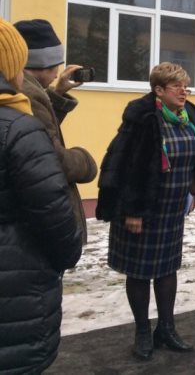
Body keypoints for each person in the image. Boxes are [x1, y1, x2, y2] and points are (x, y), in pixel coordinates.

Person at [96, 62, 195, 361]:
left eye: (186, 86)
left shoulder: (191, 116)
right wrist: (133, 211)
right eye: (177, 87)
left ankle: (166, 329)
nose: (183, 92)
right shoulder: (144, 117)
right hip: (142, 208)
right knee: (139, 272)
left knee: (167, 269)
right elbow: (129, 164)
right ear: (158, 90)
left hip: (172, 211)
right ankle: (142, 332)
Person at [0, 19, 83, 373]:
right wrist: (85, 162)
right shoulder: (17, 119)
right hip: (18, 278)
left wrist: (58, 95)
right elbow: (50, 206)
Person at [14, 18, 98, 244]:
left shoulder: (24, 88)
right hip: (40, 217)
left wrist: (57, 94)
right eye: (56, 66)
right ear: (43, 64)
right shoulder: (29, 94)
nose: (56, 75)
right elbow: (50, 158)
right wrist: (86, 162)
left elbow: (34, 133)